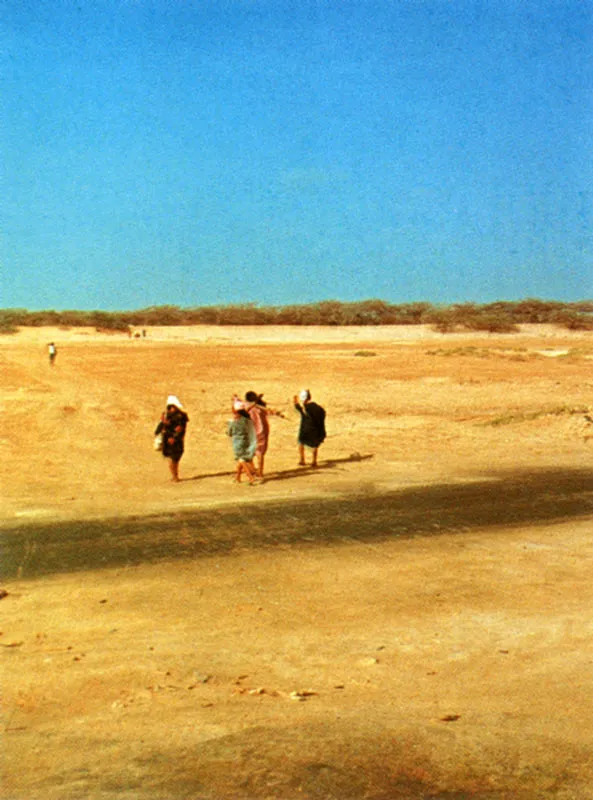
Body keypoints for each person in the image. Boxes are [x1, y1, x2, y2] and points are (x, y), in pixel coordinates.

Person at [236, 391, 285, 479]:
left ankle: (251, 470)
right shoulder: (261, 408)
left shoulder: (248, 406)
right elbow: (271, 411)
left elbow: (241, 409)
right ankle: (260, 472)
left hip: (251, 431)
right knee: (260, 452)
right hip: (263, 432)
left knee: (249, 451)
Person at [155, 395, 189, 482]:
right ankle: (174, 476)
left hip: (177, 441)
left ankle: (175, 476)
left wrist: (174, 437)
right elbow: (160, 427)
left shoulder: (181, 417)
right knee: (171, 459)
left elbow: (181, 429)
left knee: (175, 459)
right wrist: (163, 423)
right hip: (168, 440)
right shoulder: (167, 415)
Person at [227, 400, 258, 484]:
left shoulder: (233, 422)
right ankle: (237, 477)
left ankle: (251, 477)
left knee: (241, 460)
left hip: (237, 443)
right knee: (242, 459)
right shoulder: (246, 419)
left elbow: (229, 433)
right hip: (246, 441)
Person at [293, 389, 326, 467]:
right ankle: (314, 461)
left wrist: (295, 401)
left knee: (301, 443)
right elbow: (322, 414)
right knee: (314, 445)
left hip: (305, 428)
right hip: (314, 429)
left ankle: (302, 460)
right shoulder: (316, 407)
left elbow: (298, 408)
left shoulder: (305, 408)